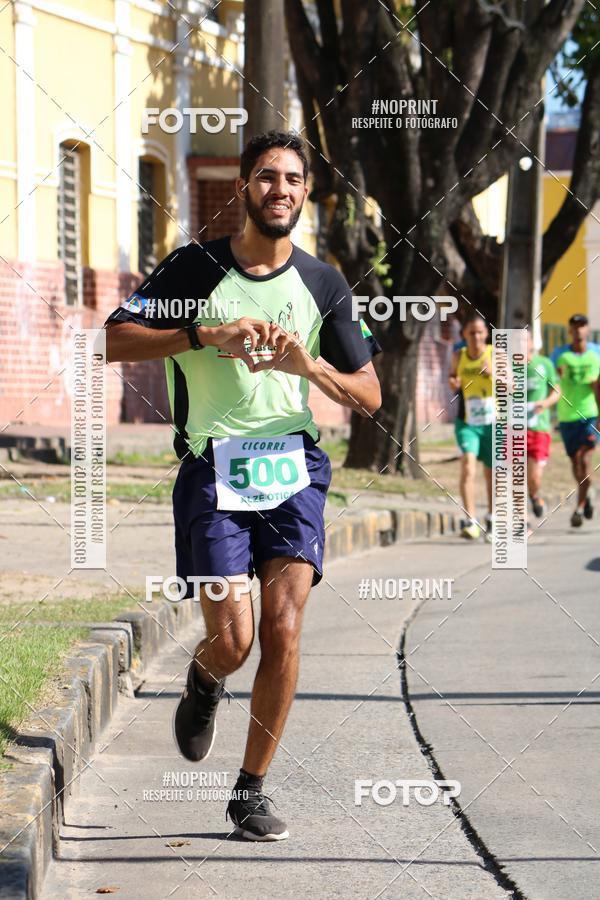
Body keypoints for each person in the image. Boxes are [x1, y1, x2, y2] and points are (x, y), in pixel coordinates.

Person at [104, 131, 382, 841]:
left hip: (293, 468)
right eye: (266, 177)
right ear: (243, 188)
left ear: (306, 193)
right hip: (214, 470)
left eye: (293, 178)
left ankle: (250, 790)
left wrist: (306, 367)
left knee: (284, 628)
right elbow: (112, 340)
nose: (280, 189)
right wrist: (203, 336)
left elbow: (370, 395)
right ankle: (206, 679)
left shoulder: (323, 283)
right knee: (234, 642)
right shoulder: (195, 269)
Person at [449, 313, 493, 540]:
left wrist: (494, 375)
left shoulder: (496, 355)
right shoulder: (459, 355)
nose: (475, 337)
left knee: (491, 473)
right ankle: (470, 520)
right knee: (468, 465)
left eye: (479, 332)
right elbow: (452, 377)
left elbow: (514, 387)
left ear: (486, 334)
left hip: (493, 424)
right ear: (464, 335)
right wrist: (453, 382)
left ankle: (493, 518)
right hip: (467, 422)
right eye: (471, 333)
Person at [554, 314, 600, 527]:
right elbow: (551, 380)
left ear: (587, 329)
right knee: (575, 463)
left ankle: (579, 508)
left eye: (582, 326)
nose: (579, 330)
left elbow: (597, 387)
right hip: (566, 416)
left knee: (585, 460)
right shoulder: (560, 354)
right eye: (575, 326)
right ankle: (586, 493)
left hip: (589, 414)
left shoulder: (596, 354)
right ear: (570, 330)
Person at [526, 330, 560, 519]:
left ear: (532, 343)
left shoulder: (544, 364)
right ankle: (520, 522)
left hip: (539, 429)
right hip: (514, 428)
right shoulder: (506, 367)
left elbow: (556, 390)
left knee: (534, 478)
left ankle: (535, 495)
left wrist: (545, 404)